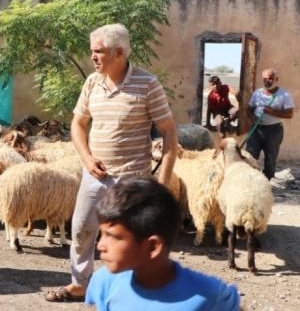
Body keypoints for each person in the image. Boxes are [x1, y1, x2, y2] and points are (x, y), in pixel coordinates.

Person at [44, 23, 179, 302]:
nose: (92, 57)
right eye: (92, 51)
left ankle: (127, 292)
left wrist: (162, 185)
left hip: (132, 179)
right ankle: (81, 284)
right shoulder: (92, 83)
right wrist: (87, 158)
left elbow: (169, 132)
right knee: (81, 230)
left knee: (127, 239)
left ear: (119, 52)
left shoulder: (147, 84)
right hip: (95, 176)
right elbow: (78, 124)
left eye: (98, 51)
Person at [85, 177, 241, 311]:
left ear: (152, 247)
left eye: (112, 237)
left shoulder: (209, 294)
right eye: (102, 234)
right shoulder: (104, 281)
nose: (100, 245)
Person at [245, 68, 295, 180]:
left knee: (270, 158)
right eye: (265, 79)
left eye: (270, 79)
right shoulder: (257, 93)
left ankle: (268, 180)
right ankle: (250, 179)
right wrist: (253, 118)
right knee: (250, 156)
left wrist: (272, 112)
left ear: (276, 79)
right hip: (256, 129)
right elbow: (249, 109)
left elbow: (290, 114)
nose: (267, 81)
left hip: (274, 130)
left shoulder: (284, 94)